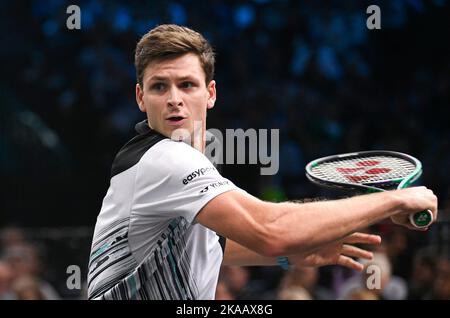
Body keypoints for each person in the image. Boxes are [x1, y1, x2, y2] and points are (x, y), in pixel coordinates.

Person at [86, 24, 438, 300]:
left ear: (210, 94)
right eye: (159, 87)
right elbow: (271, 230)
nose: (174, 99)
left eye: (187, 85)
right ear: (140, 97)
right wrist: (391, 200)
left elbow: (215, 246)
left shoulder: (174, 161)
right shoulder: (164, 158)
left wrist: (290, 256)